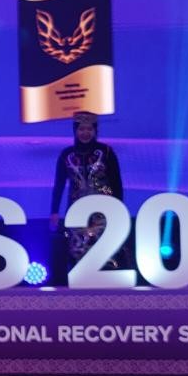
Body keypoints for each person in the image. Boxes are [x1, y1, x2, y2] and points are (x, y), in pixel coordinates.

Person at [48, 111, 124, 263]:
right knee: (77, 248)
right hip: (77, 208)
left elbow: (116, 182)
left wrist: (119, 209)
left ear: (95, 130)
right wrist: (54, 212)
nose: (85, 133)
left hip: (104, 208)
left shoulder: (106, 152)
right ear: (75, 131)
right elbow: (59, 184)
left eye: (89, 129)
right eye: (81, 129)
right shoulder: (66, 155)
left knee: (105, 250)